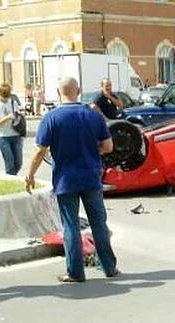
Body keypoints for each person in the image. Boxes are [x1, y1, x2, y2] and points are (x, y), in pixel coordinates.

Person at [25, 77, 119, 283]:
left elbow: (40, 151)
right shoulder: (93, 115)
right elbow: (108, 147)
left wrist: (30, 175)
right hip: (91, 177)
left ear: (59, 93)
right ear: (78, 91)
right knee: (99, 223)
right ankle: (109, 268)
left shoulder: (51, 118)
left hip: (65, 180)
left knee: (70, 226)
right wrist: (93, 152)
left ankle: (75, 272)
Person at [0, 83, 23, 175]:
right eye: (3, 95)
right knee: (10, 163)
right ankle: (11, 177)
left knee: (18, 163)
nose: (5, 98)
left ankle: (12, 176)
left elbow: (18, 115)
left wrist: (18, 117)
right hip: (3, 137)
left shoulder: (13, 102)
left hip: (16, 135)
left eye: (7, 95)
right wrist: (8, 117)